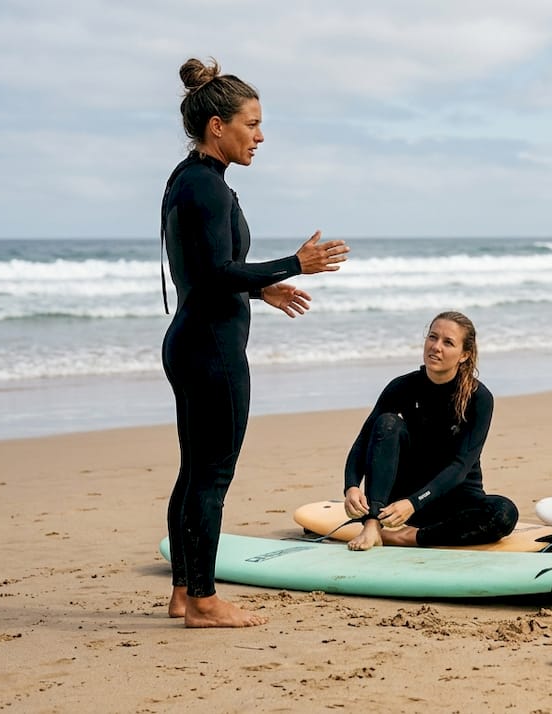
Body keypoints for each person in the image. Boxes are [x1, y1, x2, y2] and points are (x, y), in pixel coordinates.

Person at [161, 57, 349, 628]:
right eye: (251, 123)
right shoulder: (211, 190)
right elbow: (217, 270)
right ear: (218, 125)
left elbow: (202, 271)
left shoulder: (186, 177)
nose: (260, 136)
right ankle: (205, 600)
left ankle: (181, 593)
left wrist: (262, 288)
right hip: (214, 349)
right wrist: (297, 262)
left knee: (193, 472)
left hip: (191, 339)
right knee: (212, 477)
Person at [343, 311, 519, 550]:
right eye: (432, 337)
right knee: (386, 423)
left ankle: (407, 538)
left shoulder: (478, 398)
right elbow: (365, 441)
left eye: (448, 343)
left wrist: (414, 503)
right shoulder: (402, 387)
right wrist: (351, 486)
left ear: (464, 355)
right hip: (400, 504)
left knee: (504, 512)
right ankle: (372, 525)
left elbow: (460, 466)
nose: (436, 347)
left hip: (453, 498)